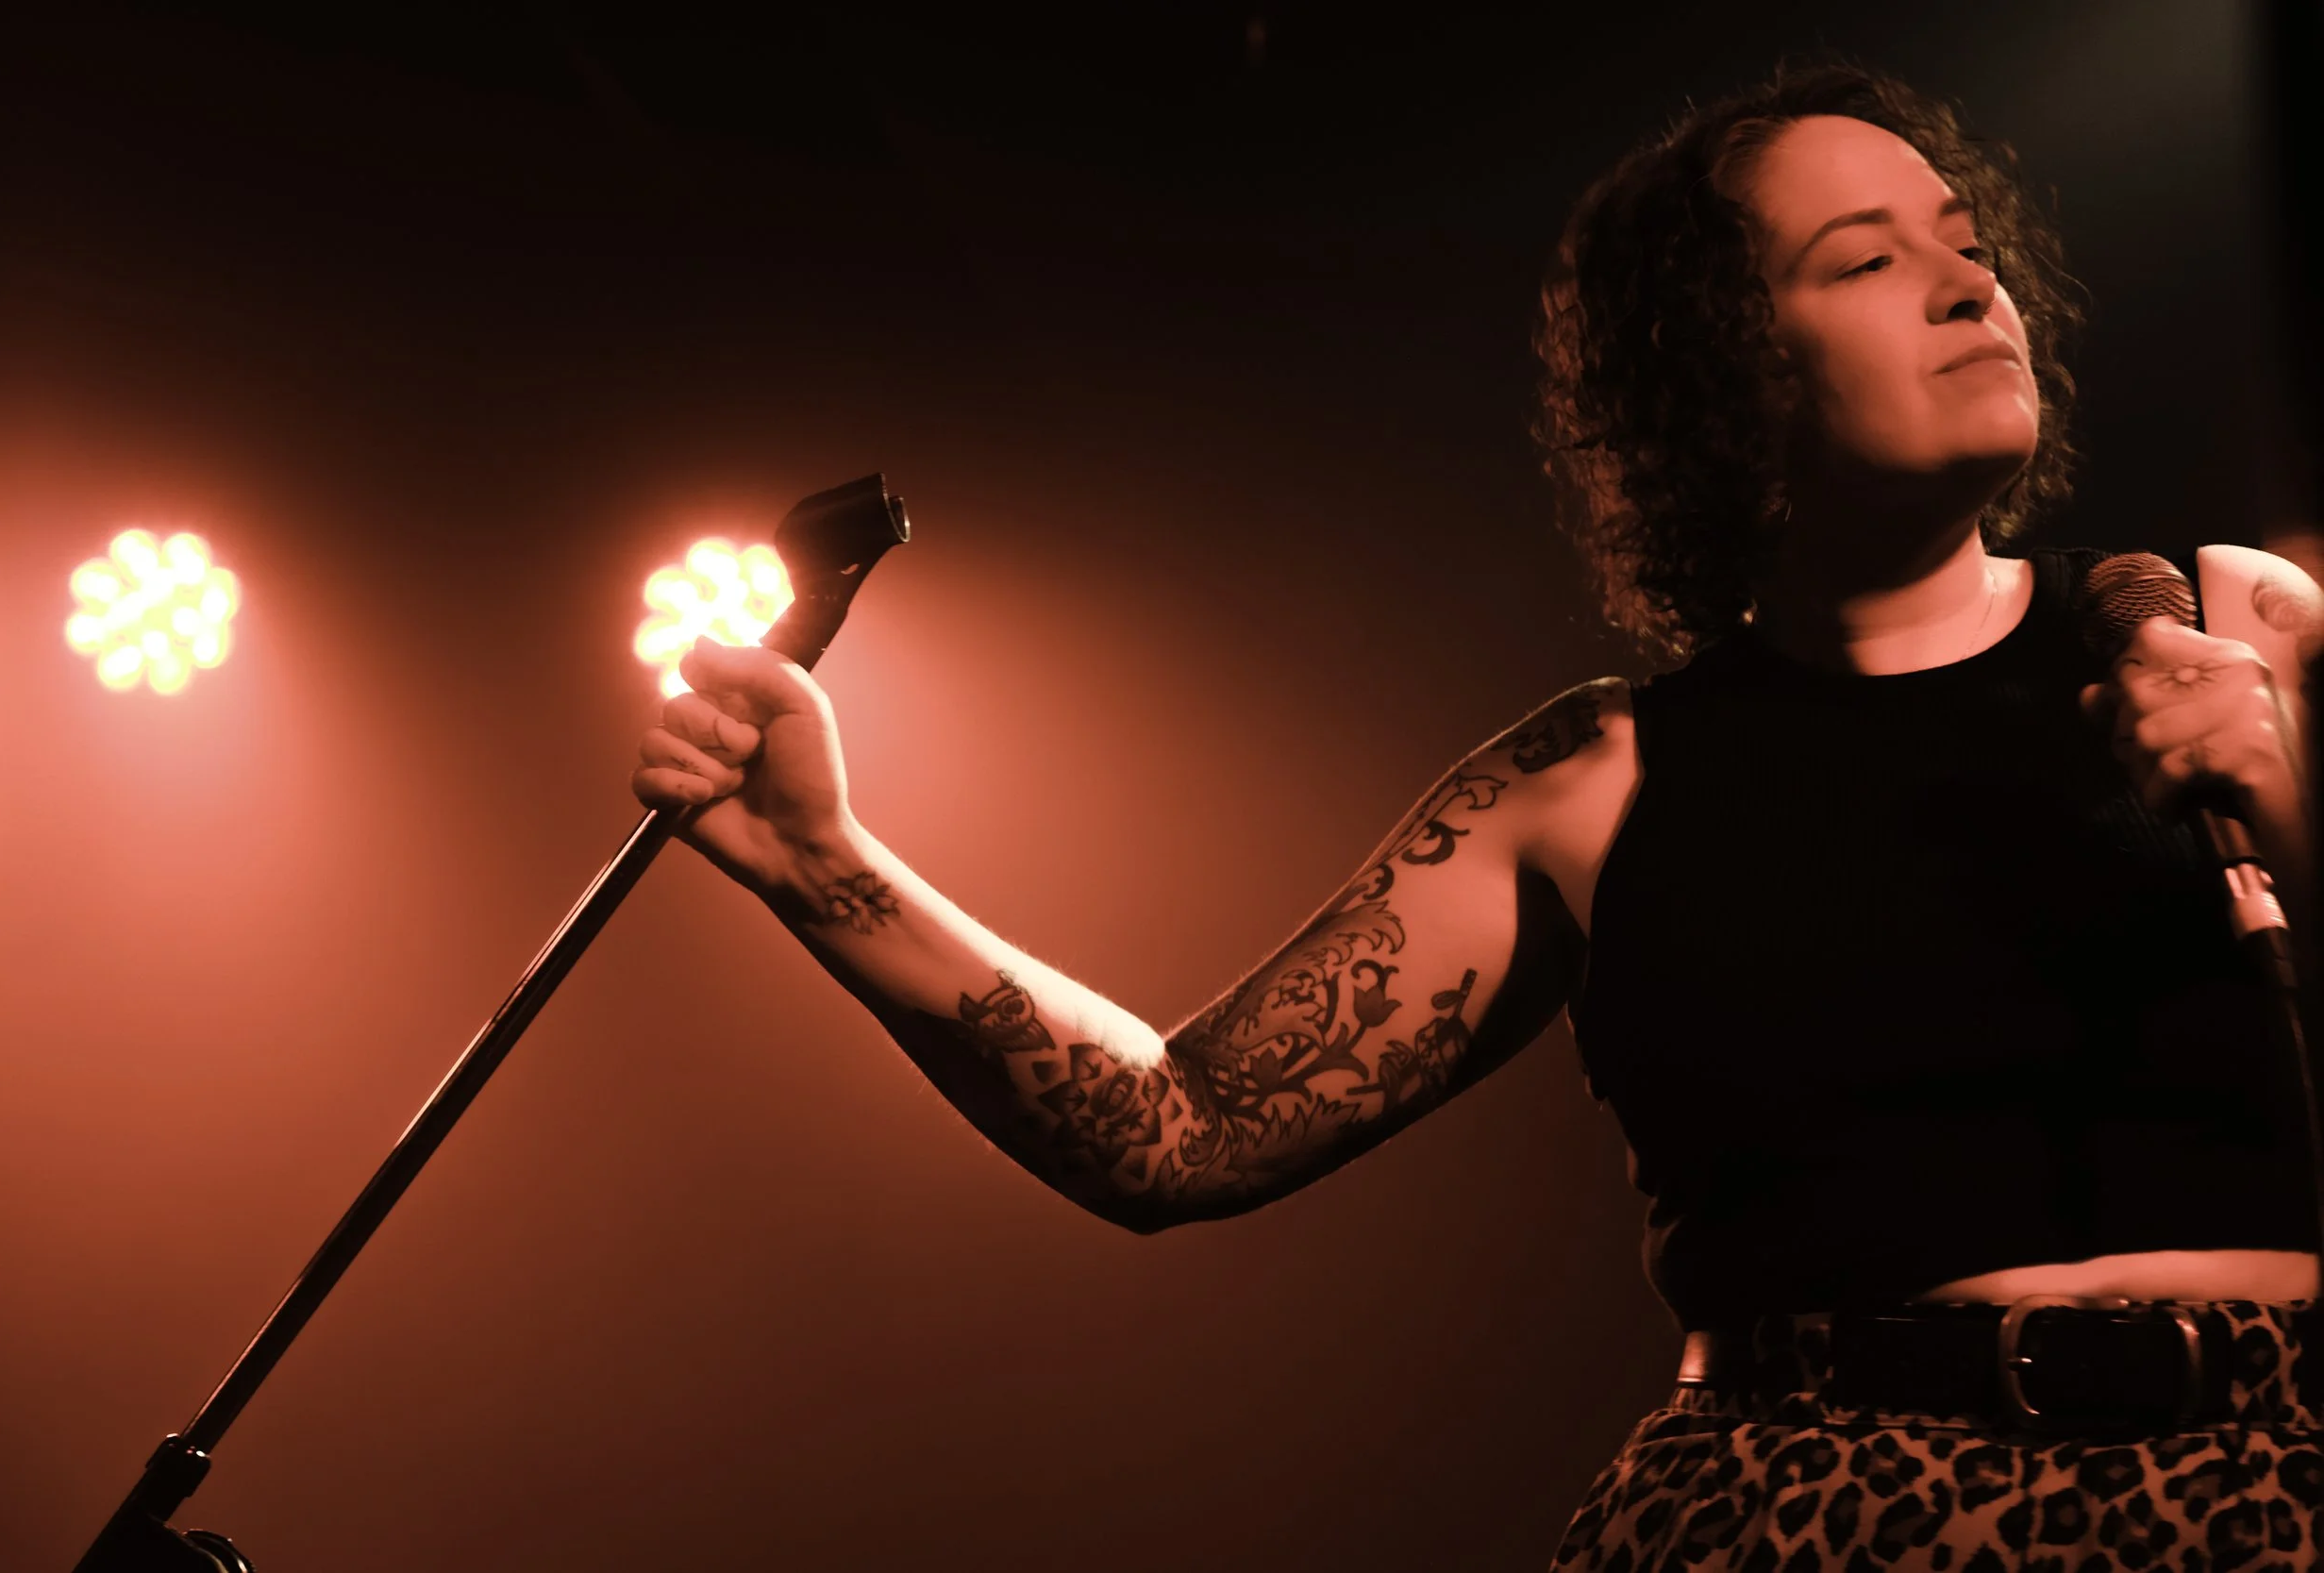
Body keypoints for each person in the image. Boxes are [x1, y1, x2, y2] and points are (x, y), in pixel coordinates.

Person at [633, 56, 2324, 1573]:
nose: (1970, 284)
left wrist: (2298, 803)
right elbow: (1182, 1127)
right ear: (1727, 375)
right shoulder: (1595, 780)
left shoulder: (2235, 629)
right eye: (1866, 259)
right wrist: (820, 860)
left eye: (1965, 237)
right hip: (1803, 1515)